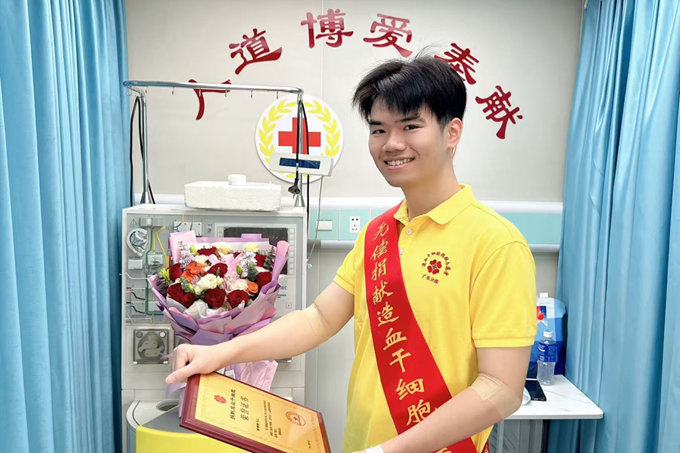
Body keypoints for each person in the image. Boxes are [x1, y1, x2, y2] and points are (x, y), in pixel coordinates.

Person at [166, 55, 537, 453]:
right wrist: (219, 353)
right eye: (379, 129)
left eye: (411, 126)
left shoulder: (496, 243)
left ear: (452, 132)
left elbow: (501, 388)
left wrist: (389, 451)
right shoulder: (378, 233)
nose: (392, 143)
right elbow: (319, 319)